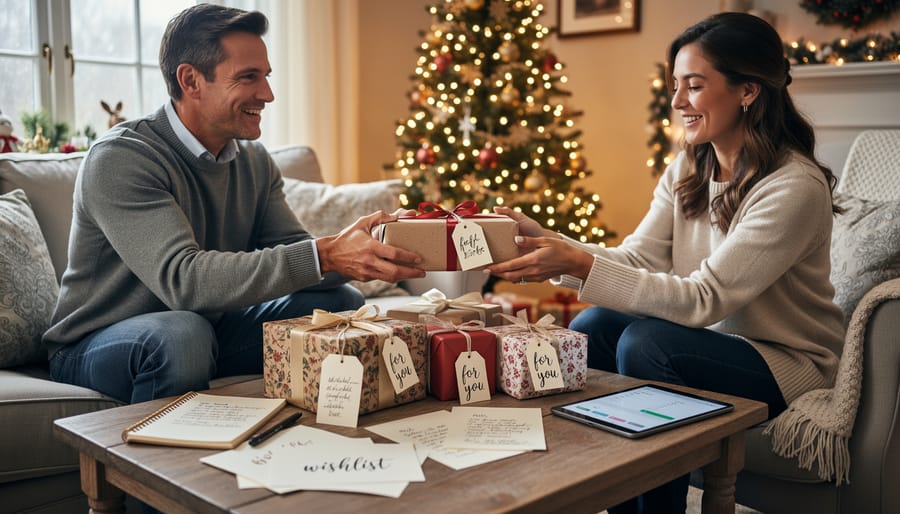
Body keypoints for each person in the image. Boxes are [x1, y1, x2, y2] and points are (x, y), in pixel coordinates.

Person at [486, 12, 844, 514]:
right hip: (713, 341)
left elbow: (704, 299)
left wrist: (580, 265)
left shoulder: (792, 186)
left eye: (694, 86)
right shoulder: (688, 168)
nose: (677, 102)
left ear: (748, 91)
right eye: (676, 85)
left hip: (785, 362)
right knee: (594, 326)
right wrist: (552, 246)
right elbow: (637, 258)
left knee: (647, 344)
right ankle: (616, 499)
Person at [44, 4, 425, 406]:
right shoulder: (122, 158)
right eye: (249, 77)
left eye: (266, 76)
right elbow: (184, 282)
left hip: (205, 328)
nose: (268, 94)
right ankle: (166, 462)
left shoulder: (253, 161)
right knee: (182, 334)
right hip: (96, 341)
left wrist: (367, 248)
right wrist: (327, 254)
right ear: (191, 80)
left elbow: (301, 257)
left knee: (337, 304)